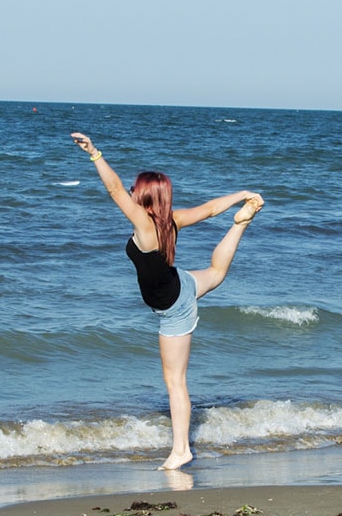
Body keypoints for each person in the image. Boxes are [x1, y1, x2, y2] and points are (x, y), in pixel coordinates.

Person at [71, 132, 264, 470]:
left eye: (136, 189)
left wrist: (95, 153)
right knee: (216, 273)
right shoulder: (169, 220)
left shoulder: (146, 226)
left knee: (175, 382)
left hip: (175, 309)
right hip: (181, 284)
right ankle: (241, 226)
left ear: (144, 196)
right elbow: (208, 210)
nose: (130, 192)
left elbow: (114, 189)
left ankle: (181, 450)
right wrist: (242, 196)